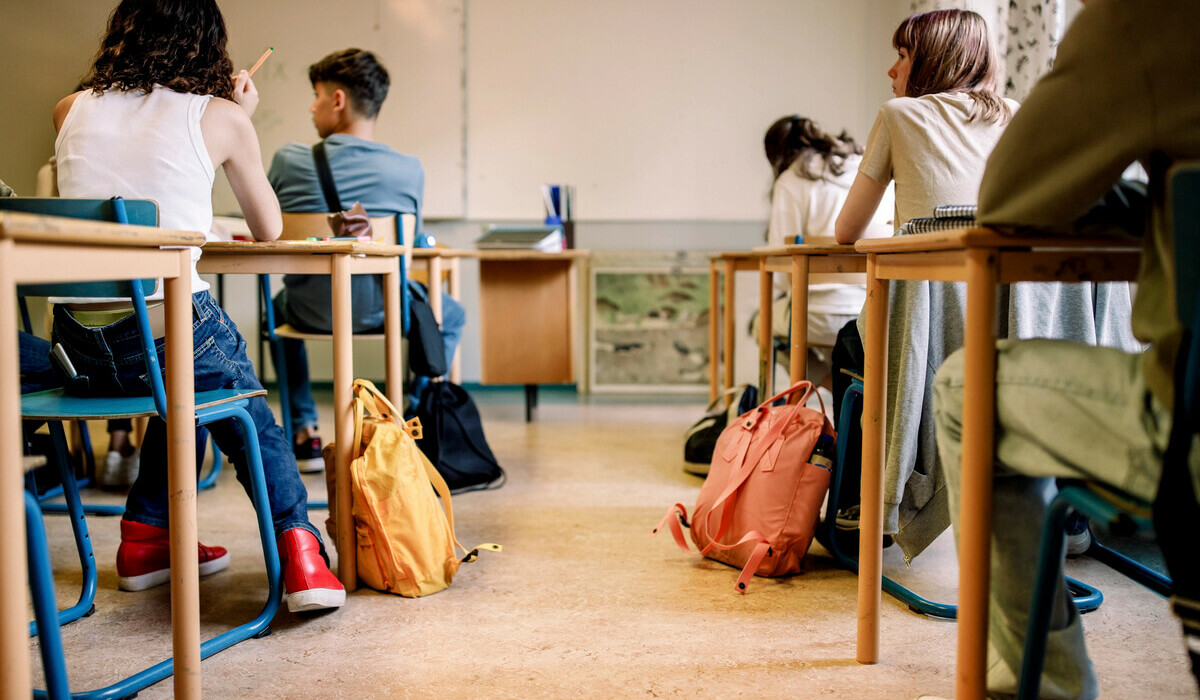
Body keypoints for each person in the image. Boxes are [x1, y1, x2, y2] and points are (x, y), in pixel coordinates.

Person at [929, 0, 1200, 697]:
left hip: (1188, 435)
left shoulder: (1147, 19)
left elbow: (1010, 197)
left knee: (965, 389)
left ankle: (1044, 682)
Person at [52, 0, 343, 612]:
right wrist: (240, 117)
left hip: (75, 349)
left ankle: (146, 539)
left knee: (180, 394)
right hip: (164, 334)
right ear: (208, 44)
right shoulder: (220, 117)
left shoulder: (69, 110)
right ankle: (300, 550)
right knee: (239, 405)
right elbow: (267, 228)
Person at [829, 9, 1139, 560]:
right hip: (1021, 332)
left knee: (850, 345)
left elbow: (846, 231)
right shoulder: (1016, 116)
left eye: (902, 54)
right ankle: (1050, 496)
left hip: (934, 337)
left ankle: (865, 512)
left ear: (933, 59)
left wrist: (914, 223)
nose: (890, 69)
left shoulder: (899, 115)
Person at [267, 48, 466, 470]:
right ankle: (405, 421)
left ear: (337, 100)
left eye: (316, 95)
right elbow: (407, 246)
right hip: (384, 310)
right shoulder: (409, 170)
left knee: (273, 311)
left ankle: (303, 430)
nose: (312, 106)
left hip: (308, 310)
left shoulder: (289, 161)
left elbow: (267, 228)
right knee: (451, 313)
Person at [759, 115, 892, 392]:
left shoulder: (791, 178)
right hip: (871, 311)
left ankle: (832, 386)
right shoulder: (865, 166)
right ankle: (849, 390)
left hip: (813, 314)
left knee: (761, 325)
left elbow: (783, 276)